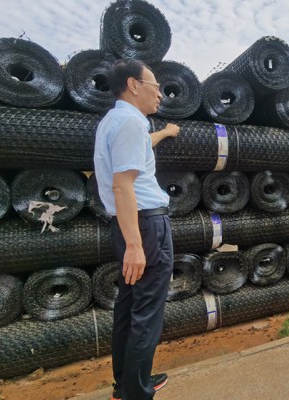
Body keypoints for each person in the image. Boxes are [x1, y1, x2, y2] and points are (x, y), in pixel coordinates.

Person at [93, 59, 180, 400]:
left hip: (129, 223)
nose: (160, 92)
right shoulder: (130, 123)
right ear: (133, 84)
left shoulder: (118, 121)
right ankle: (136, 393)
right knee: (146, 311)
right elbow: (122, 186)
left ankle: (127, 383)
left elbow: (139, 150)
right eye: (154, 84)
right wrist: (135, 245)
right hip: (144, 226)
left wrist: (166, 132)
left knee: (129, 307)